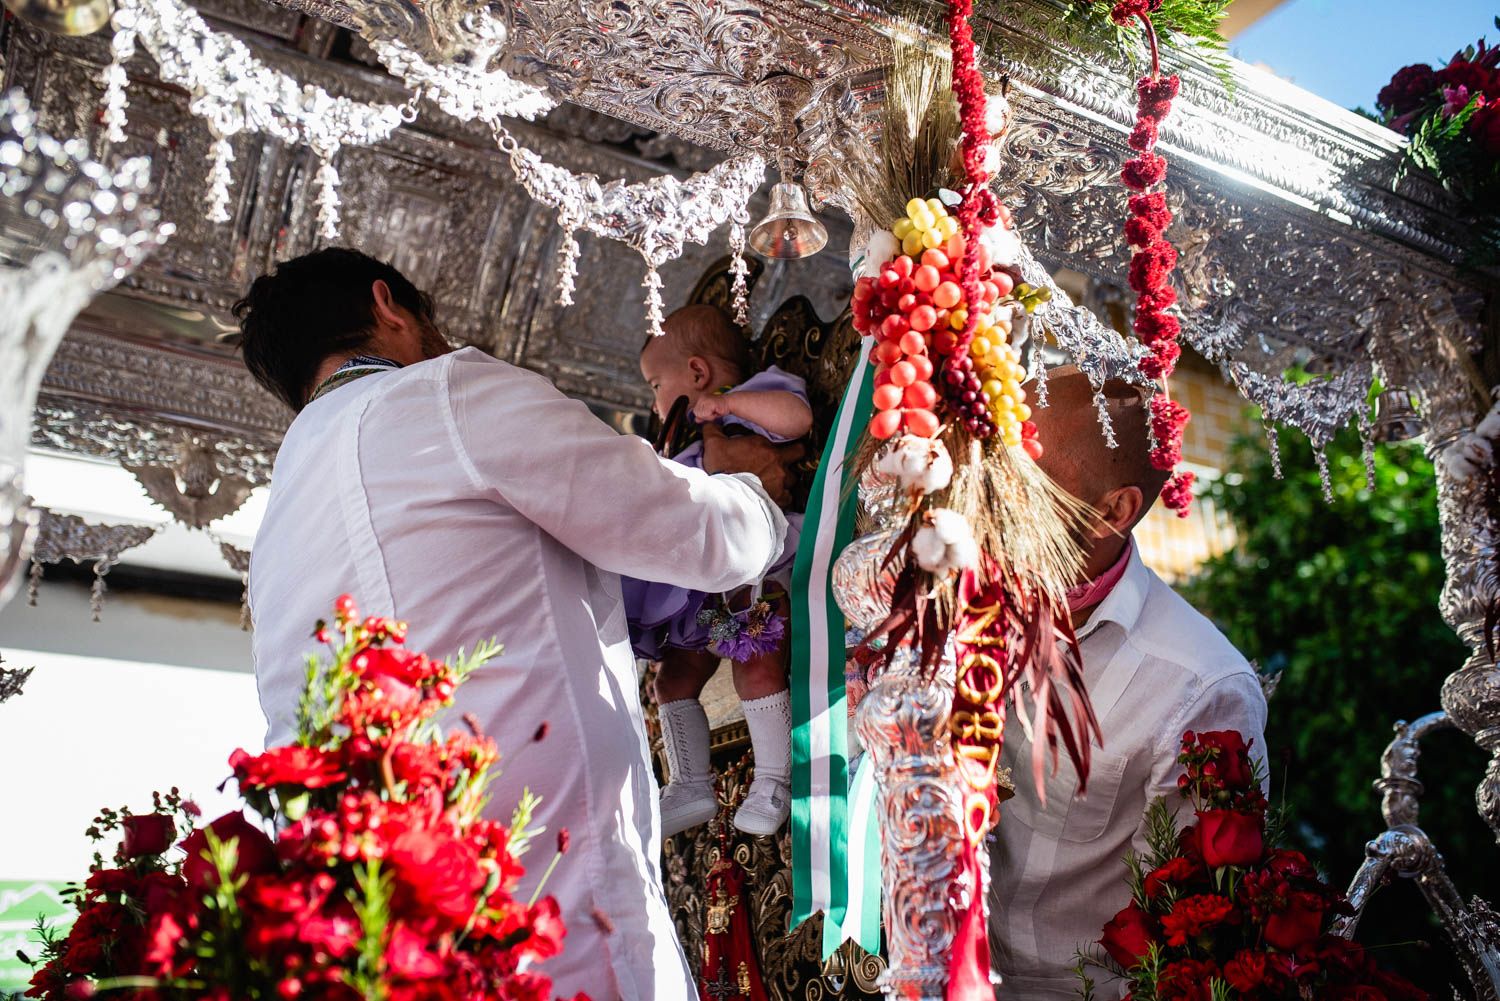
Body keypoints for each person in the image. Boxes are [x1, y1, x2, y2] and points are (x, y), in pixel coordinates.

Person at [236, 247, 803, 1001]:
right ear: (389, 306)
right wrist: (761, 499)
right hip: (546, 897)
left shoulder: (276, 522)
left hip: (386, 931)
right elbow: (676, 522)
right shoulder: (442, 391)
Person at [987, 366, 1269, 1000]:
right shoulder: (962, 591)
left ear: (1114, 510)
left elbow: (1192, 938)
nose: (998, 500)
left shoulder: (1198, 684)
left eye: (1031, 486)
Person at [626, 305, 812, 838]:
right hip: (700, 584)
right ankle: (689, 782)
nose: (654, 400)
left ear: (698, 374)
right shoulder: (686, 445)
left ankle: (775, 779)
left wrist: (727, 404)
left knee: (755, 663)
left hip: (756, 565)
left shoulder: (748, 403)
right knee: (673, 677)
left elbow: (795, 419)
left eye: (656, 384)